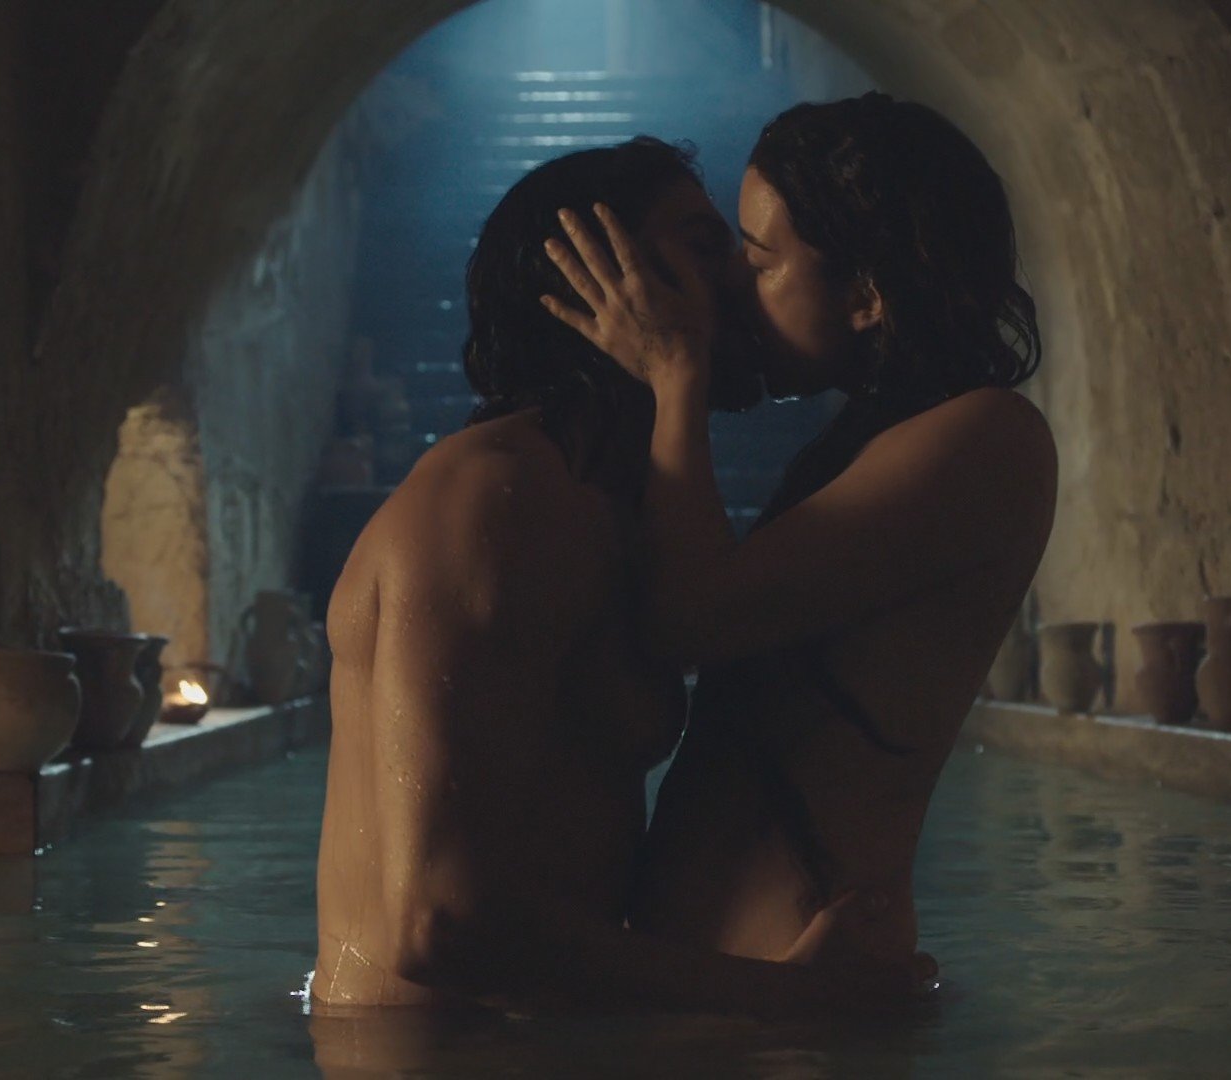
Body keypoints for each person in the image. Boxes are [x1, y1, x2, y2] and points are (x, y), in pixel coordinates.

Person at [311, 136, 931, 1019]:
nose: (742, 277)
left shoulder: (614, 510)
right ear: (595, 278)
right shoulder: (492, 496)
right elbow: (440, 923)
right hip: (423, 1058)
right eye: (705, 246)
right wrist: (789, 999)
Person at [540, 94, 1057, 968]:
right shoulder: (875, 444)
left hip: (802, 989)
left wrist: (675, 377)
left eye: (760, 258)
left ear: (865, 294)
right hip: (740, 992)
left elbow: (693, 619)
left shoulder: (984, 438)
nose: (734, 286)